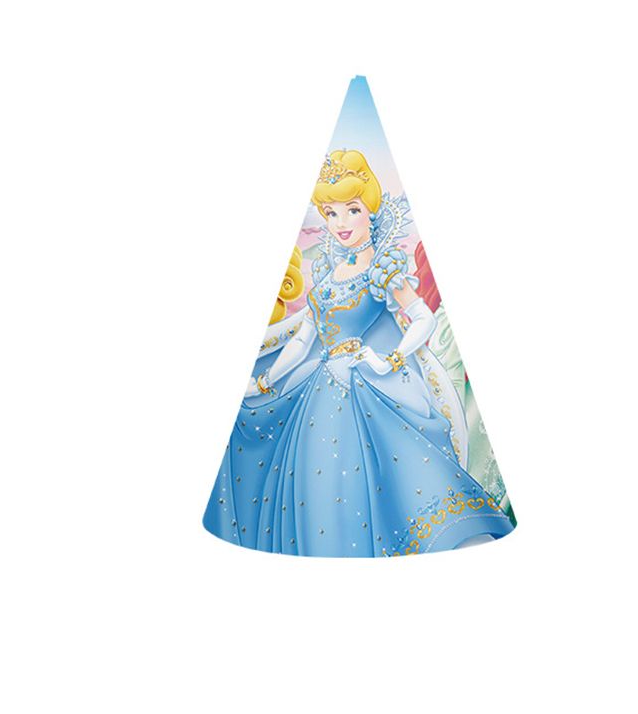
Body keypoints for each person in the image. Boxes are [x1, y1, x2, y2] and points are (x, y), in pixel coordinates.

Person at [203, 150, 513, 556]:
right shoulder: (327, 277)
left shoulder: (382, 270)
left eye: (351, 210)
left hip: (367, 388)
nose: (341, 223)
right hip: (317, 391)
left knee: (399, 473)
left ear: (369, 210)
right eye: (331, 213)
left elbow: (422, 318)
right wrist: (262, 382)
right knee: (318, 483)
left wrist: (390, 359)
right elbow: (301, 343)